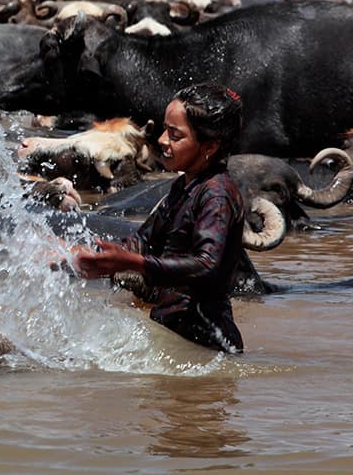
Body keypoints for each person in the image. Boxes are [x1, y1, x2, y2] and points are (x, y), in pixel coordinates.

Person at [71, 82, 246, 353]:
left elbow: (207, 263)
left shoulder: (217, 194)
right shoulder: (184, 186)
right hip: (176, 334)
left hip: (206, 342)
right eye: (165, 129)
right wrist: (77, 253)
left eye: (175, 135)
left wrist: (134, 263)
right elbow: (141, 240)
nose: (162, 140)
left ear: (209, 146)